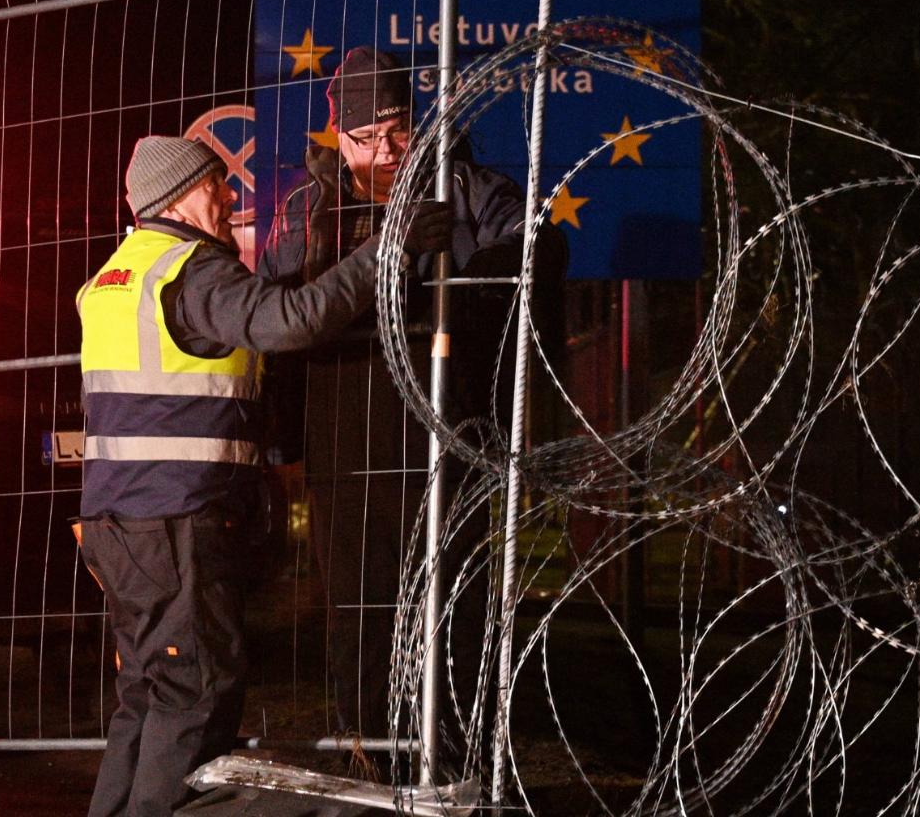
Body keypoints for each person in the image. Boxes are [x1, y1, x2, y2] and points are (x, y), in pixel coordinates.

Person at [75, 134, 450, 817]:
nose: (229, 196)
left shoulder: (113, 278)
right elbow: (291, 320)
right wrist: (389, 248)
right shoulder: (193, 272)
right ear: (177, 199)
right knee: (195, 692)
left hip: (116, 525)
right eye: (215, 184)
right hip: (176, 521)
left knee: (147, 695)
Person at [258, 47, 564, 754]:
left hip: (444, 426)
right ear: (340, 137)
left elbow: (538, 245)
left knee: (450, 595)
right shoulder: (306, 209)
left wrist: (464, 292)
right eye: (368, 137)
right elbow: (277, 315)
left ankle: (449, 749)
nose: (388, 150)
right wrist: (282, 434)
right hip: (343, 432)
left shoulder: (462, 187)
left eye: (399, 130)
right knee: (357, 603)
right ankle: (368, 746)